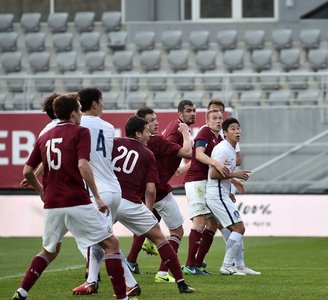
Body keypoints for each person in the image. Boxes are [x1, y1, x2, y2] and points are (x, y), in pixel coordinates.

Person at [12, 93, 128, 300]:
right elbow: (83, 165)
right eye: (78, 109)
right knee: (111, 245)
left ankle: (21, 292)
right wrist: (98, 197)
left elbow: (27, 171)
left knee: (48, 251)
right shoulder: (80, 132)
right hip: (76, 201)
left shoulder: (45, 136)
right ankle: (122, 297)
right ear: (74, 112)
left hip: (52, 205)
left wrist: (41, 191)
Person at [112, 116, 195, 294]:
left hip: (110, 199)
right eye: (148, 126)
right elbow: (151, 189)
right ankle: (177, 281)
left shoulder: (113, 144)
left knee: (102, 240)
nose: (151, 131)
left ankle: (92, 278)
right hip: (139, 199)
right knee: (165, 236)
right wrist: (148, 211)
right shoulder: (148, 150)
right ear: (138, 132)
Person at [71, 87, 139, 295]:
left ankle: (130, 283)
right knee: (100, 238)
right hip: (113, 188)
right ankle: (92, 281)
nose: (103, 105)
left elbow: (80, 159)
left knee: (104, 241)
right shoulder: (109, 127)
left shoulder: (77, 125)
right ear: (94, 103)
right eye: (101, 101)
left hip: (98, 191)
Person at [205, 117, 260, 275]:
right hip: (216, 195)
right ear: (225, 133)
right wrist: (237, 175)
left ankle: (240, 266)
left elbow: (226, 171)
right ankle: (227, 265)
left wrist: (233, 182)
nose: (237, 131)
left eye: (238, 128)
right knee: (239, 228)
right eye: (233, 129)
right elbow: (214, 174)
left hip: (222, 194)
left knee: (234, 230)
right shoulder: (222, 149)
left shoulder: (230, 148)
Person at [183, 109, 230, 275]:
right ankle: (189, 265)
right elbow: (199, 154)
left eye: (220, 118)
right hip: (196, 182)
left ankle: (196, 263)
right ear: (207, 121)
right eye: (214, 118)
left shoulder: (219, 138)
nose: (218, 121)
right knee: (200, 221)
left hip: (207, 183)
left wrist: (233, 180)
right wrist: (216, 163)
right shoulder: (204, 132)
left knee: (213, 223)